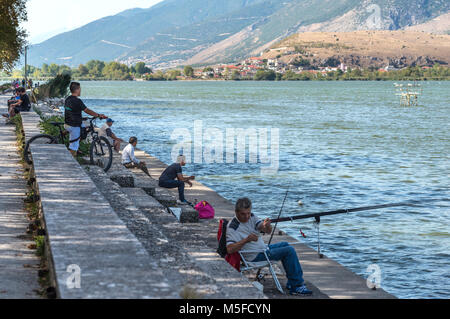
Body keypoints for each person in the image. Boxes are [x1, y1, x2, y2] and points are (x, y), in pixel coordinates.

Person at [226, 198, 313, 296]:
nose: (246, 217)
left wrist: (266, 225)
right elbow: (229, 249)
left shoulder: (252, 216)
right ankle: (297, 286)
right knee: (289, 251)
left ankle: (292, 282)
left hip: (263, 249)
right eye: (243, 214)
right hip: (254, 256)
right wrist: (246, 240)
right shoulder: (232, 227)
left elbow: (267, 231)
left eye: (248, 213)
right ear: (236, 212)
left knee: (285, 244)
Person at [64, 82, 108, 157]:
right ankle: (72, 157)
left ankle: (71, 138)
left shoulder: (68, 99)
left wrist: (81, 117)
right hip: (74, 126)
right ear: (77, 90)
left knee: (84, 129)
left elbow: (72, 111)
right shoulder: (78, 101)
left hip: (67, 123)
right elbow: (87, 110)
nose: (80, 90)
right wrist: (98, 115)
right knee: (73, 148)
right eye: (80, 89)